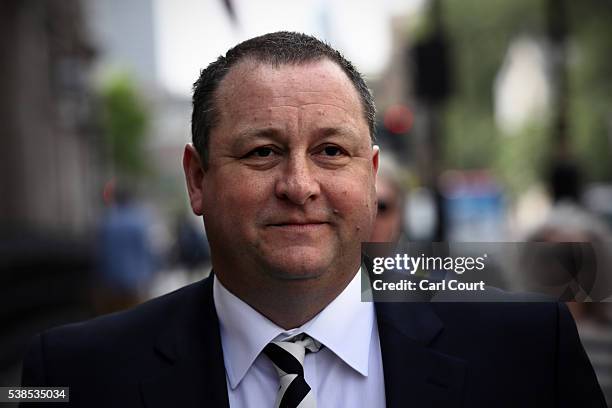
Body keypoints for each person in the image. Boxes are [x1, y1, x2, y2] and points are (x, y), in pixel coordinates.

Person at [21, 32, 604, 407]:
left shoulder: (529, 349)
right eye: (261, 152)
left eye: (330, 152)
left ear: (372, 176)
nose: (300, 186)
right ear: (197, 179)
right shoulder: (74, 375)